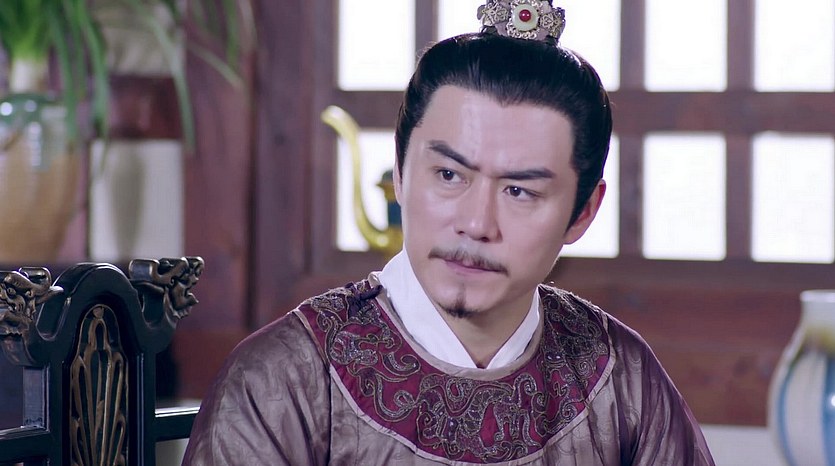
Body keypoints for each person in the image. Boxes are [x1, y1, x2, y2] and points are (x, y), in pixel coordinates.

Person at [183, 1, 715, 464]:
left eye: (519, 191)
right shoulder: (283, 381)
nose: (477, 224)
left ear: (583, 212)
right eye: (448, 175)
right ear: (400, 172)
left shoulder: (622, 380)